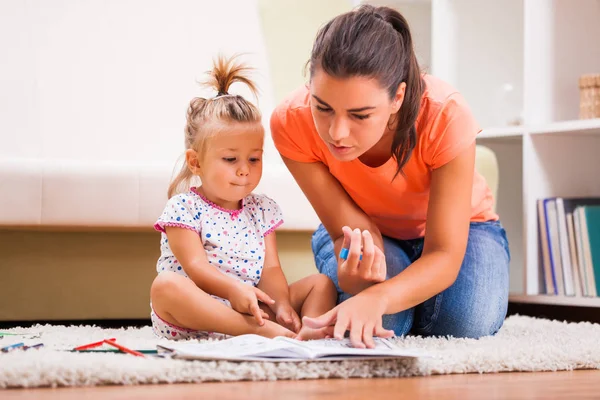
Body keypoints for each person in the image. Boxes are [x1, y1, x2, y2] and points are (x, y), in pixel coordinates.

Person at [270, 5, 510, 348]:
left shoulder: (446, 114)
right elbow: (345, 229)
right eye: (322, 107)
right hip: (367, 229)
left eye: (360, 115)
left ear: (397, 97)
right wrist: (355, 281)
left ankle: (414, 299)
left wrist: (380, 297)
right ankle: (409, 302)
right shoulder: (290, 121)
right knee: (386, 321)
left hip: (464, 229)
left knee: (466, 321)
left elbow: (444, 251)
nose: (337, 132)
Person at [150, 54, 337, 341]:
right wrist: (234, 291)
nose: (244, 171)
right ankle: (266, 332)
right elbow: (197, 267)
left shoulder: (261, 209)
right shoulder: (183, 208)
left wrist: (282, 303)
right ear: (195, 162)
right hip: (200, 315)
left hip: (253, 307)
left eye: (253, 159)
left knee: (321, 284)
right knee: (165, 286)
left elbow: (271, 269)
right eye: (230, 159)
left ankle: (305, 336)